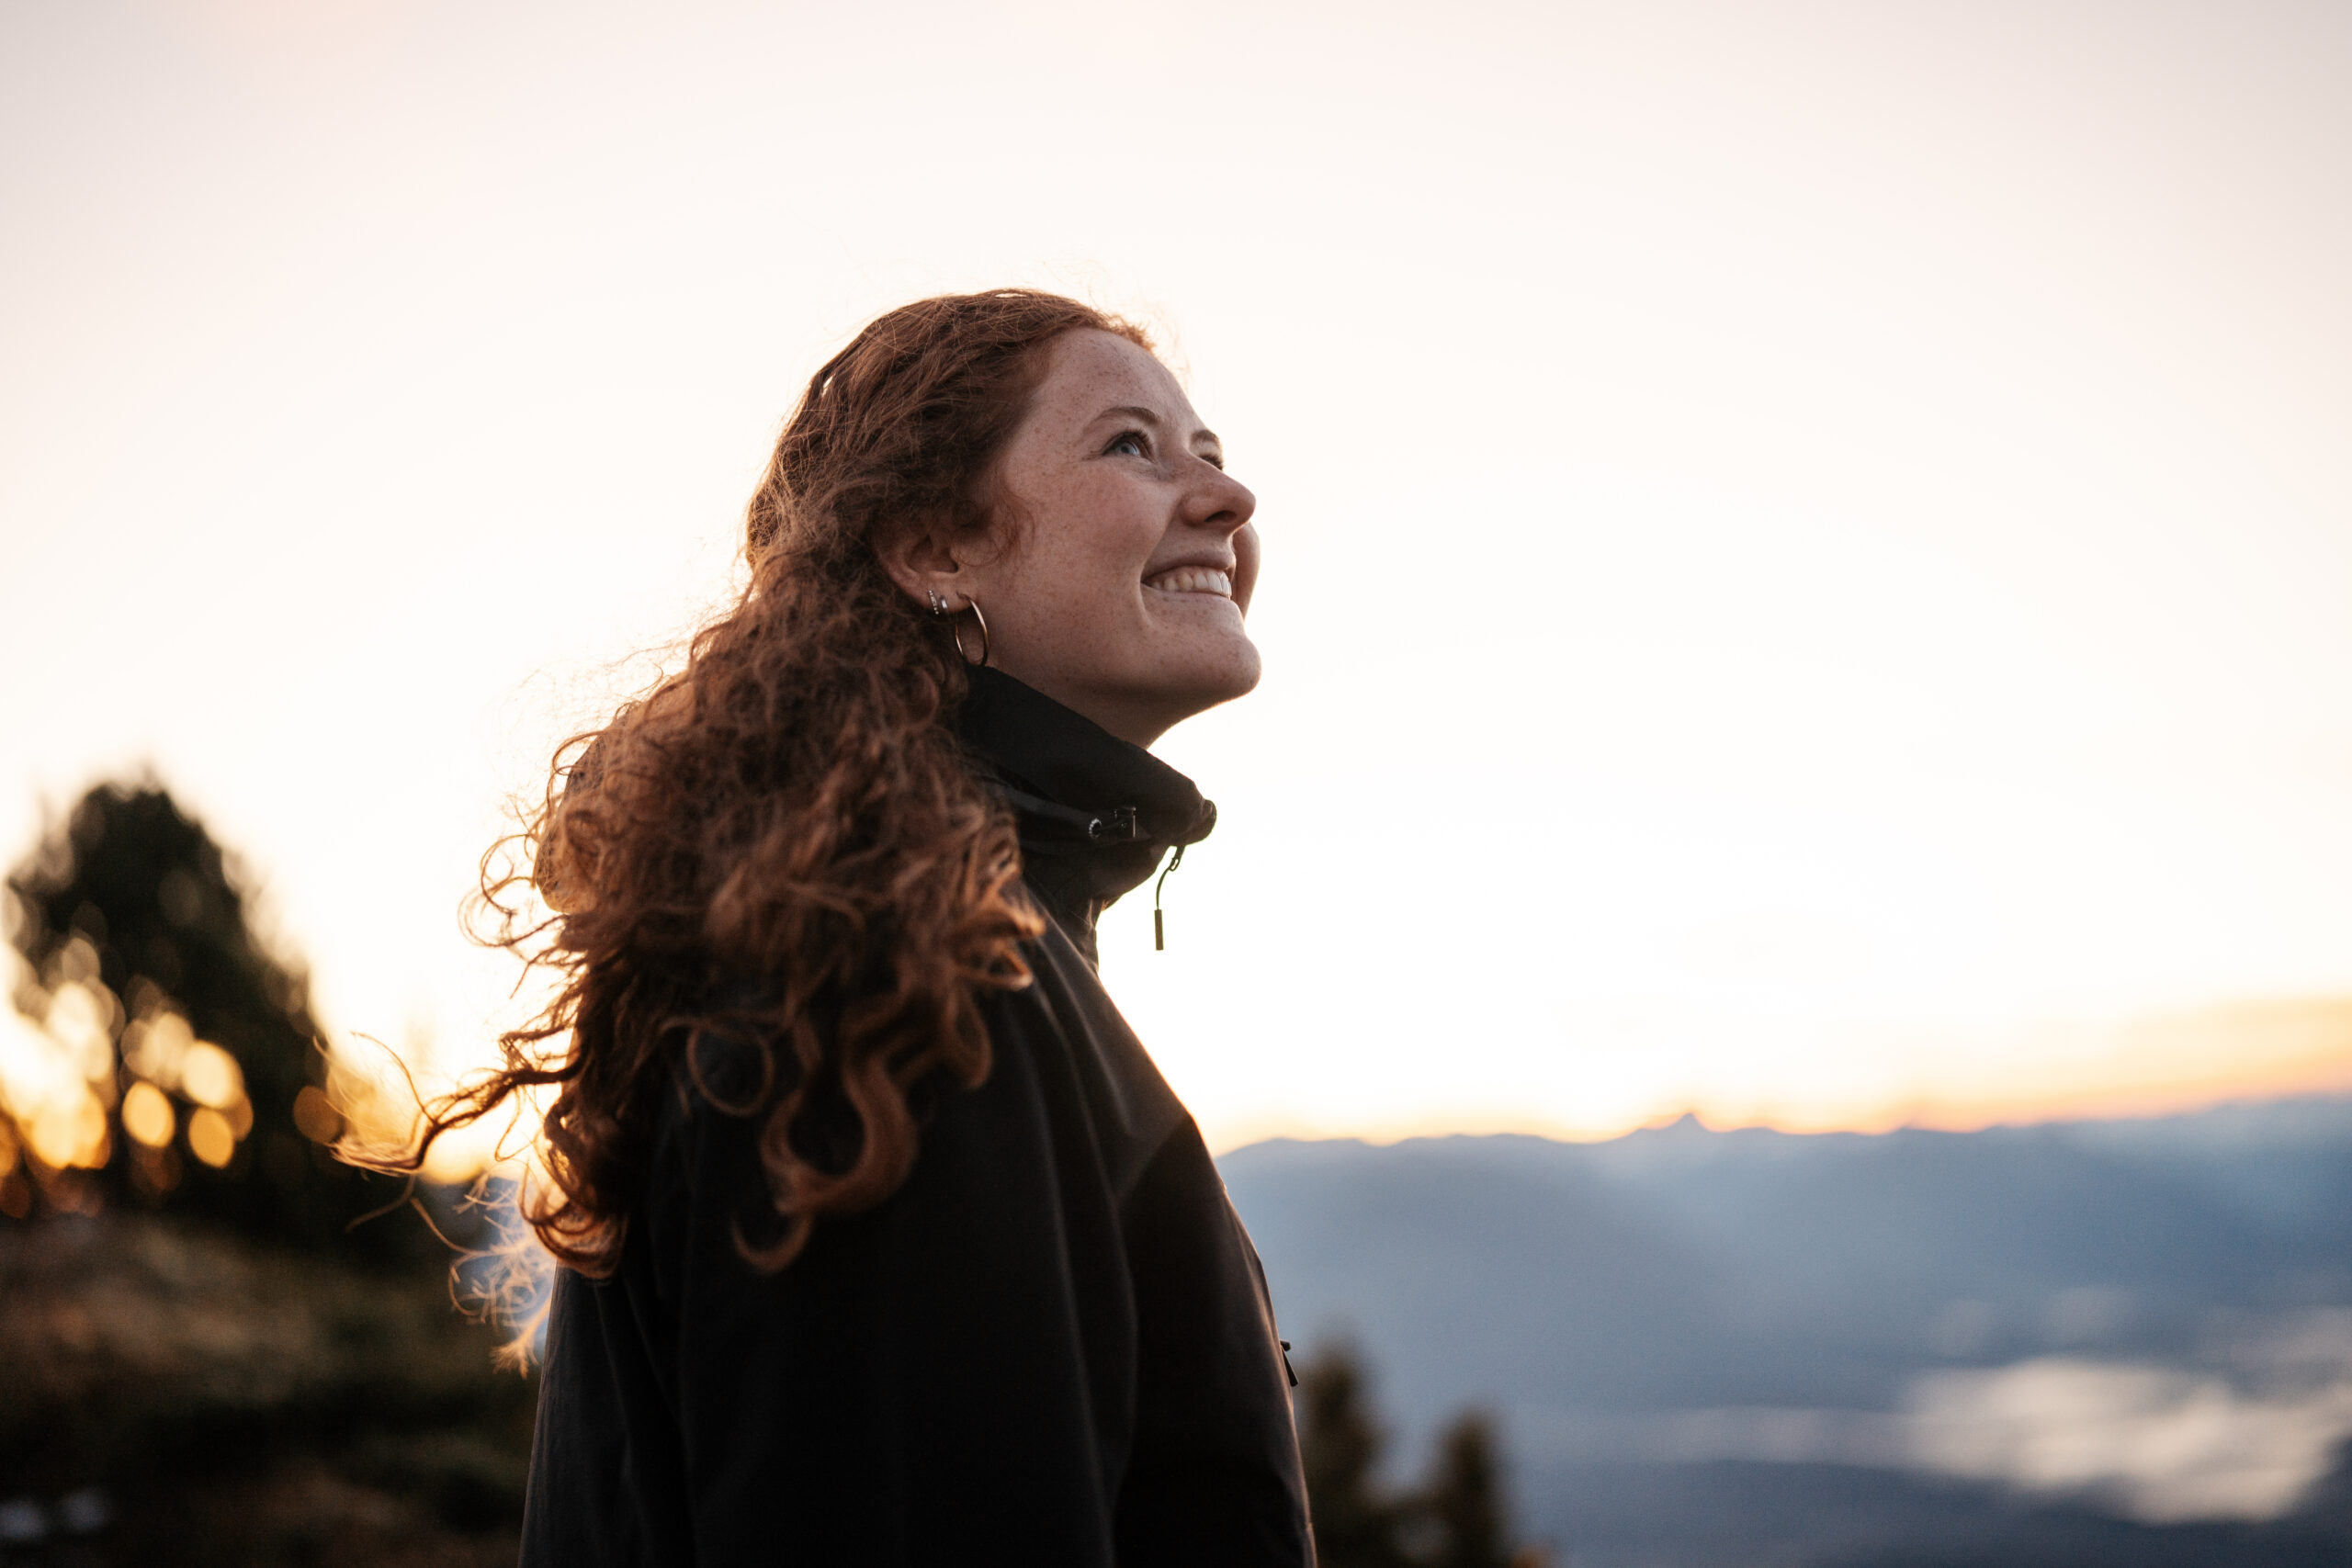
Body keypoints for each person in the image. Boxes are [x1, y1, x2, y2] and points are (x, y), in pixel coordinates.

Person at [412, 290, 1311, 1563]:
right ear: (935, 548)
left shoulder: (907, 932)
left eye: (1211, 455)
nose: (1229, 497)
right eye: (1133, 446)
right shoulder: (893, 979)